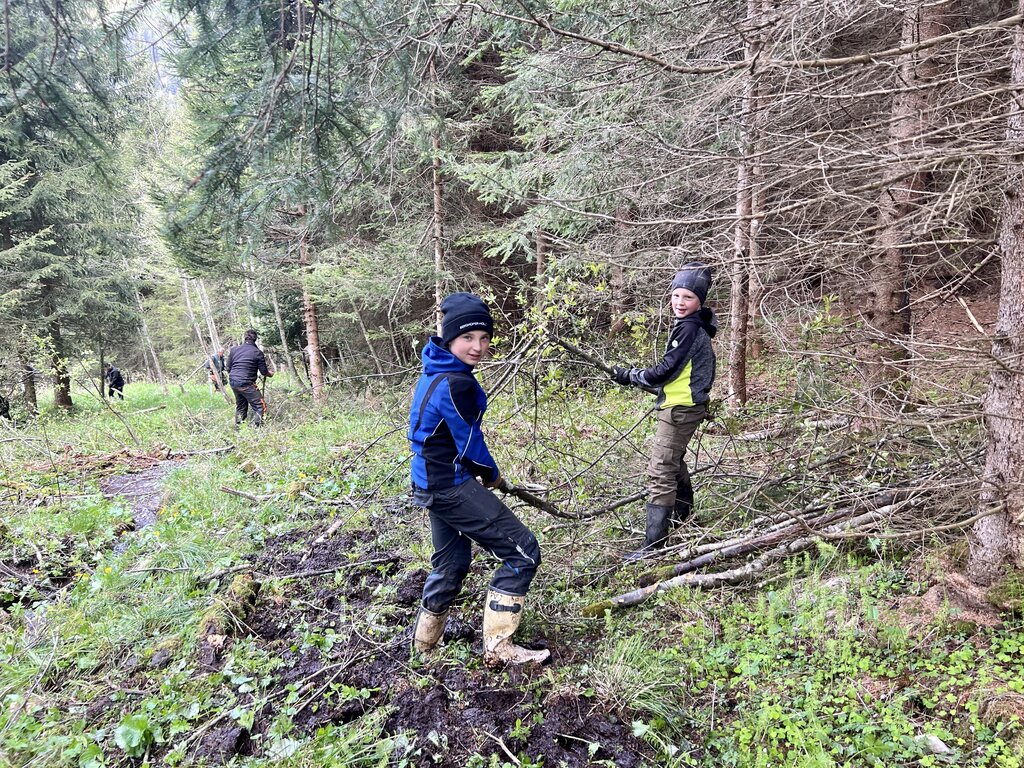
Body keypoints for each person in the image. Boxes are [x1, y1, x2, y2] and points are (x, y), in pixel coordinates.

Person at [408, 293, 549, 666]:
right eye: (468, 338)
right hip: (450, 486)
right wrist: (492, 474)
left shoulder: (434, 371)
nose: (478, 347)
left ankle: (423, 649)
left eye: (484, 338)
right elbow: (470, 444)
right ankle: (499, 650)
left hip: (429, 484)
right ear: (450, 338)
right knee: (522, 551)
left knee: (451, 565)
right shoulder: (457, 383)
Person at [611, 262, 717, 560]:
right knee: (673, 460)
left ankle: (653, 546)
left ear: (699, 302)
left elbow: (665, 371)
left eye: (688, 298)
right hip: (682, 404)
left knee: (661, 470)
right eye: (676, 296)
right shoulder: (690, 326)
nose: (680, 303)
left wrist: (631, 375)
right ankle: (684, 515)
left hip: (680, 409)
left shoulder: (689, 329)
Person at [226, 330, 273, 426]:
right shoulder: (257, 352)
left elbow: (228, 368)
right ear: (255, 339)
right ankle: (257, 430)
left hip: (233, 381)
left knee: (241, 406)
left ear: (245, 338)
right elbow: (264, 372)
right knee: (260, 406)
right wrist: (270, 374)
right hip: (246, 383)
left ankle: (239, 430)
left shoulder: (234, 350)